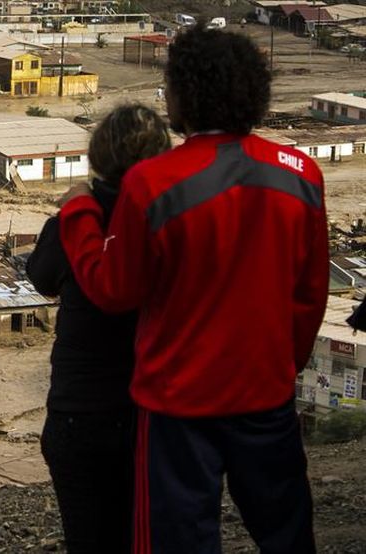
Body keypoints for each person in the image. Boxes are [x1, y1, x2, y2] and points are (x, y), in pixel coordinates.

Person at [59, 27, 327, 554]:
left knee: (179, 539)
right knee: (287, 531)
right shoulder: (301, 176)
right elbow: (309, 295)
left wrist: (78, 213)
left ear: (185, 95)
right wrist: (281, 366)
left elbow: (112, 289)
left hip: (177, 405)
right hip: (265, 396)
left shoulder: (153, 183)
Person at [27, 105, 172, 554]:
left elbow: (41, 277)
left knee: (87, 538)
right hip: (155, 412)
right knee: (144, 535)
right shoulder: (175, 221)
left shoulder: (72, 224)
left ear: (96, 159)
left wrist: (76, 208)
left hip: (80, 412)